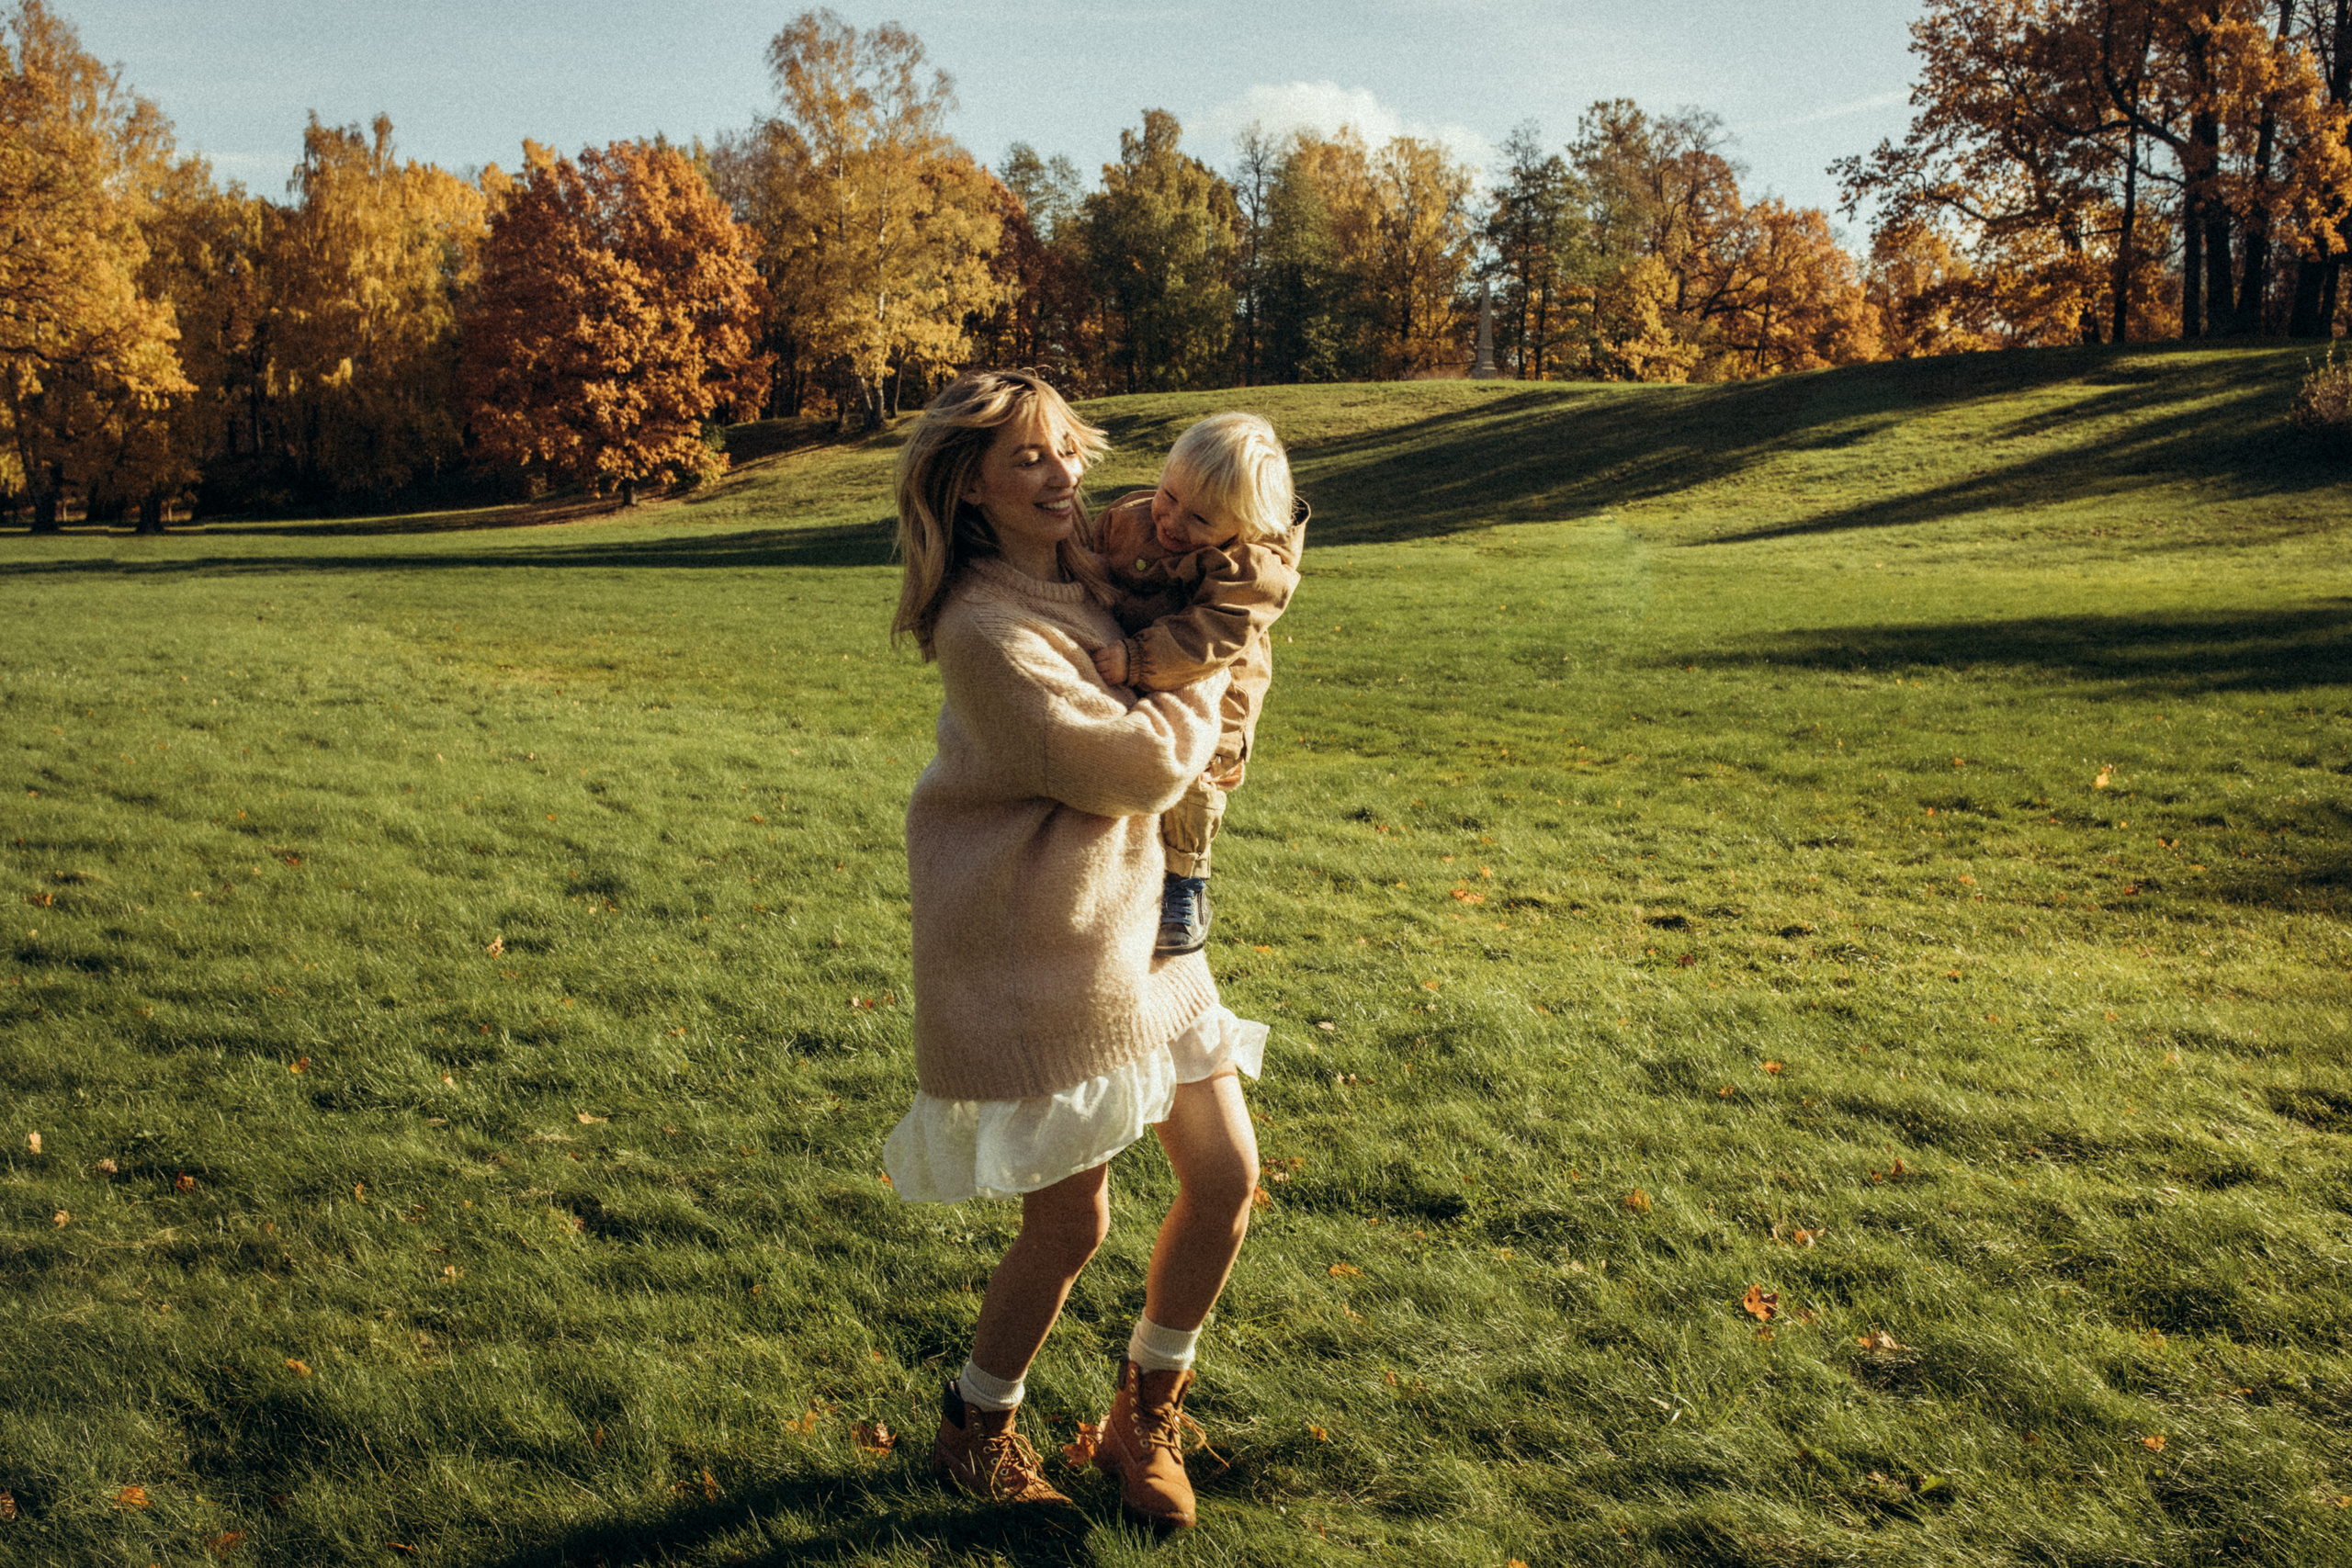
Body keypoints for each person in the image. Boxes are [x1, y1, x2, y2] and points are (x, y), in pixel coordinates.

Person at [881, 369, 1266, 1531]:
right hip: (1042, 947)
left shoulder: (1095, 571)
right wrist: (1217, 682)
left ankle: (1141, 1419)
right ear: (972, 491)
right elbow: (1138, 766)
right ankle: (975, 1425)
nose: (1062, 475)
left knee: (1227, 1181)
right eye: (1028, 461)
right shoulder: (986, 629)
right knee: (1071, 1222)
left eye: (1063, 450)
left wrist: (1234, 621)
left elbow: (1242, 574)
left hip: (1140, 926)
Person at [1087, 413, 1306, 956]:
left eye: (1200, 518)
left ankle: (1186, 880)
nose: (1172, 520)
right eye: (1169, 494)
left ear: (1246, 526)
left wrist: (1137, 658)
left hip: (1215, 681)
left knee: (1194, 774)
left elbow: (1209, 636)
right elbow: (1082, 565)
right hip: (1129, 664)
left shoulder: (1253, 570)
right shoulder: (1129, 519)